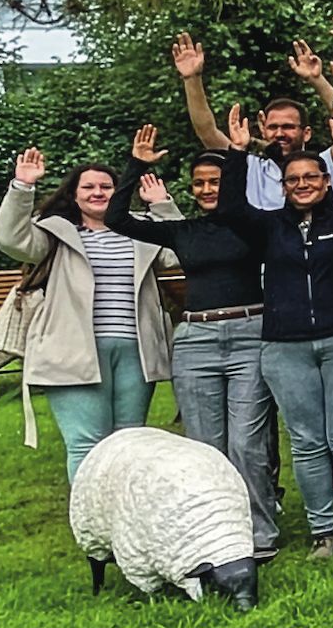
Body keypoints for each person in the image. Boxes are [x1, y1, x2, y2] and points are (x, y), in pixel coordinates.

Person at [211, 103, 333, 558]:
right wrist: (235, 153)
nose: (303, 184)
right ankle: (322, 531)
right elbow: (230, 209)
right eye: (293, 180)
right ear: (284, 189)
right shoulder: (270, 228)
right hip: (286, 348)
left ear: (327, 182)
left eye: (312, 177)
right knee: (307, 441)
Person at [110, 127, 278, 558]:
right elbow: (117, 219)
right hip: (196, 340)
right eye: (199, 183)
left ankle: (259, 533)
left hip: (248, 333)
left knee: (247, 442)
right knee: (205, 447)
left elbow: (238, 204)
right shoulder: (183, 230)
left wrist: (237, 154)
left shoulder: (250, 227)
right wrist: (137, 165)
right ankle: (213, 530)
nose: (206, 189)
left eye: (214, 182)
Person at [0, 148, 179, 481]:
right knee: (87, 444)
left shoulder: (142, 229)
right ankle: (90, 529)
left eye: (106, 187)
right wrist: (22, 187)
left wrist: (162, 205)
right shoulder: (56, 233)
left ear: (119, 190)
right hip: (73, 352)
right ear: (74, 195)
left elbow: (180, 252)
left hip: (135, 352)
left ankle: (124, 521)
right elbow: (9, 239)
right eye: (89, 188)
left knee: (130, 440)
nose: (98, 193)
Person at [71, 428, 262, 611]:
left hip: (191, 476)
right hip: (115, 460)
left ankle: (236, 591)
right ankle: (141, 586)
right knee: (136, 532)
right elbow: (131, 538)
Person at [168, 33, 333, 210]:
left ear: (306, 133)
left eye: (288, 127)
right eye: (273, 127)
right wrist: (192, 79)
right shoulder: (251, 169)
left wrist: (317, 80)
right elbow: (207, 132)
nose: (279, 134)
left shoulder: (326, 164)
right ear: (263, 130)